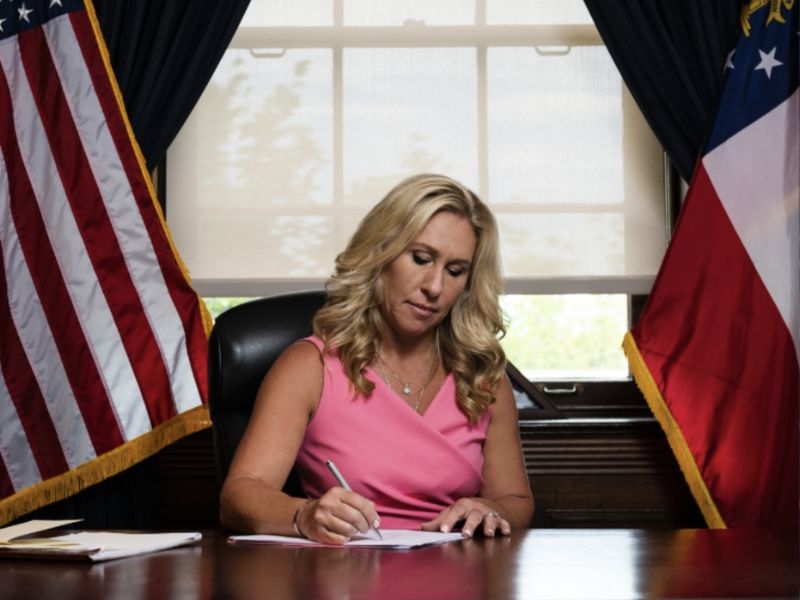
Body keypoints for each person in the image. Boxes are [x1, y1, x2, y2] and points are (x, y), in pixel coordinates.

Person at [219, 173, 534, 544]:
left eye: (455, 271)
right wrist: (304, 514)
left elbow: (516, 501)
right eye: (420, 258)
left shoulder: (482, 377)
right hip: (346, 573)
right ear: (380, 253)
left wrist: (491, 511)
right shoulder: (310, 367)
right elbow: (238, 496)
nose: (434, 287)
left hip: (458, 573)